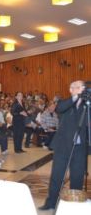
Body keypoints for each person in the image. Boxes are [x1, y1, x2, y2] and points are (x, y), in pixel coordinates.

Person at [39, 80, 87, 211]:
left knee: (77, 176)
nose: (78, 89)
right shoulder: (64, 103)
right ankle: (51, 203)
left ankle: (74, 203)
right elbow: (59, 108)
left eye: (80, 87)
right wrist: (76, 96)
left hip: (79, 147)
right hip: (62, 146)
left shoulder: (87, 105)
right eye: (74, 87)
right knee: (57, 176)